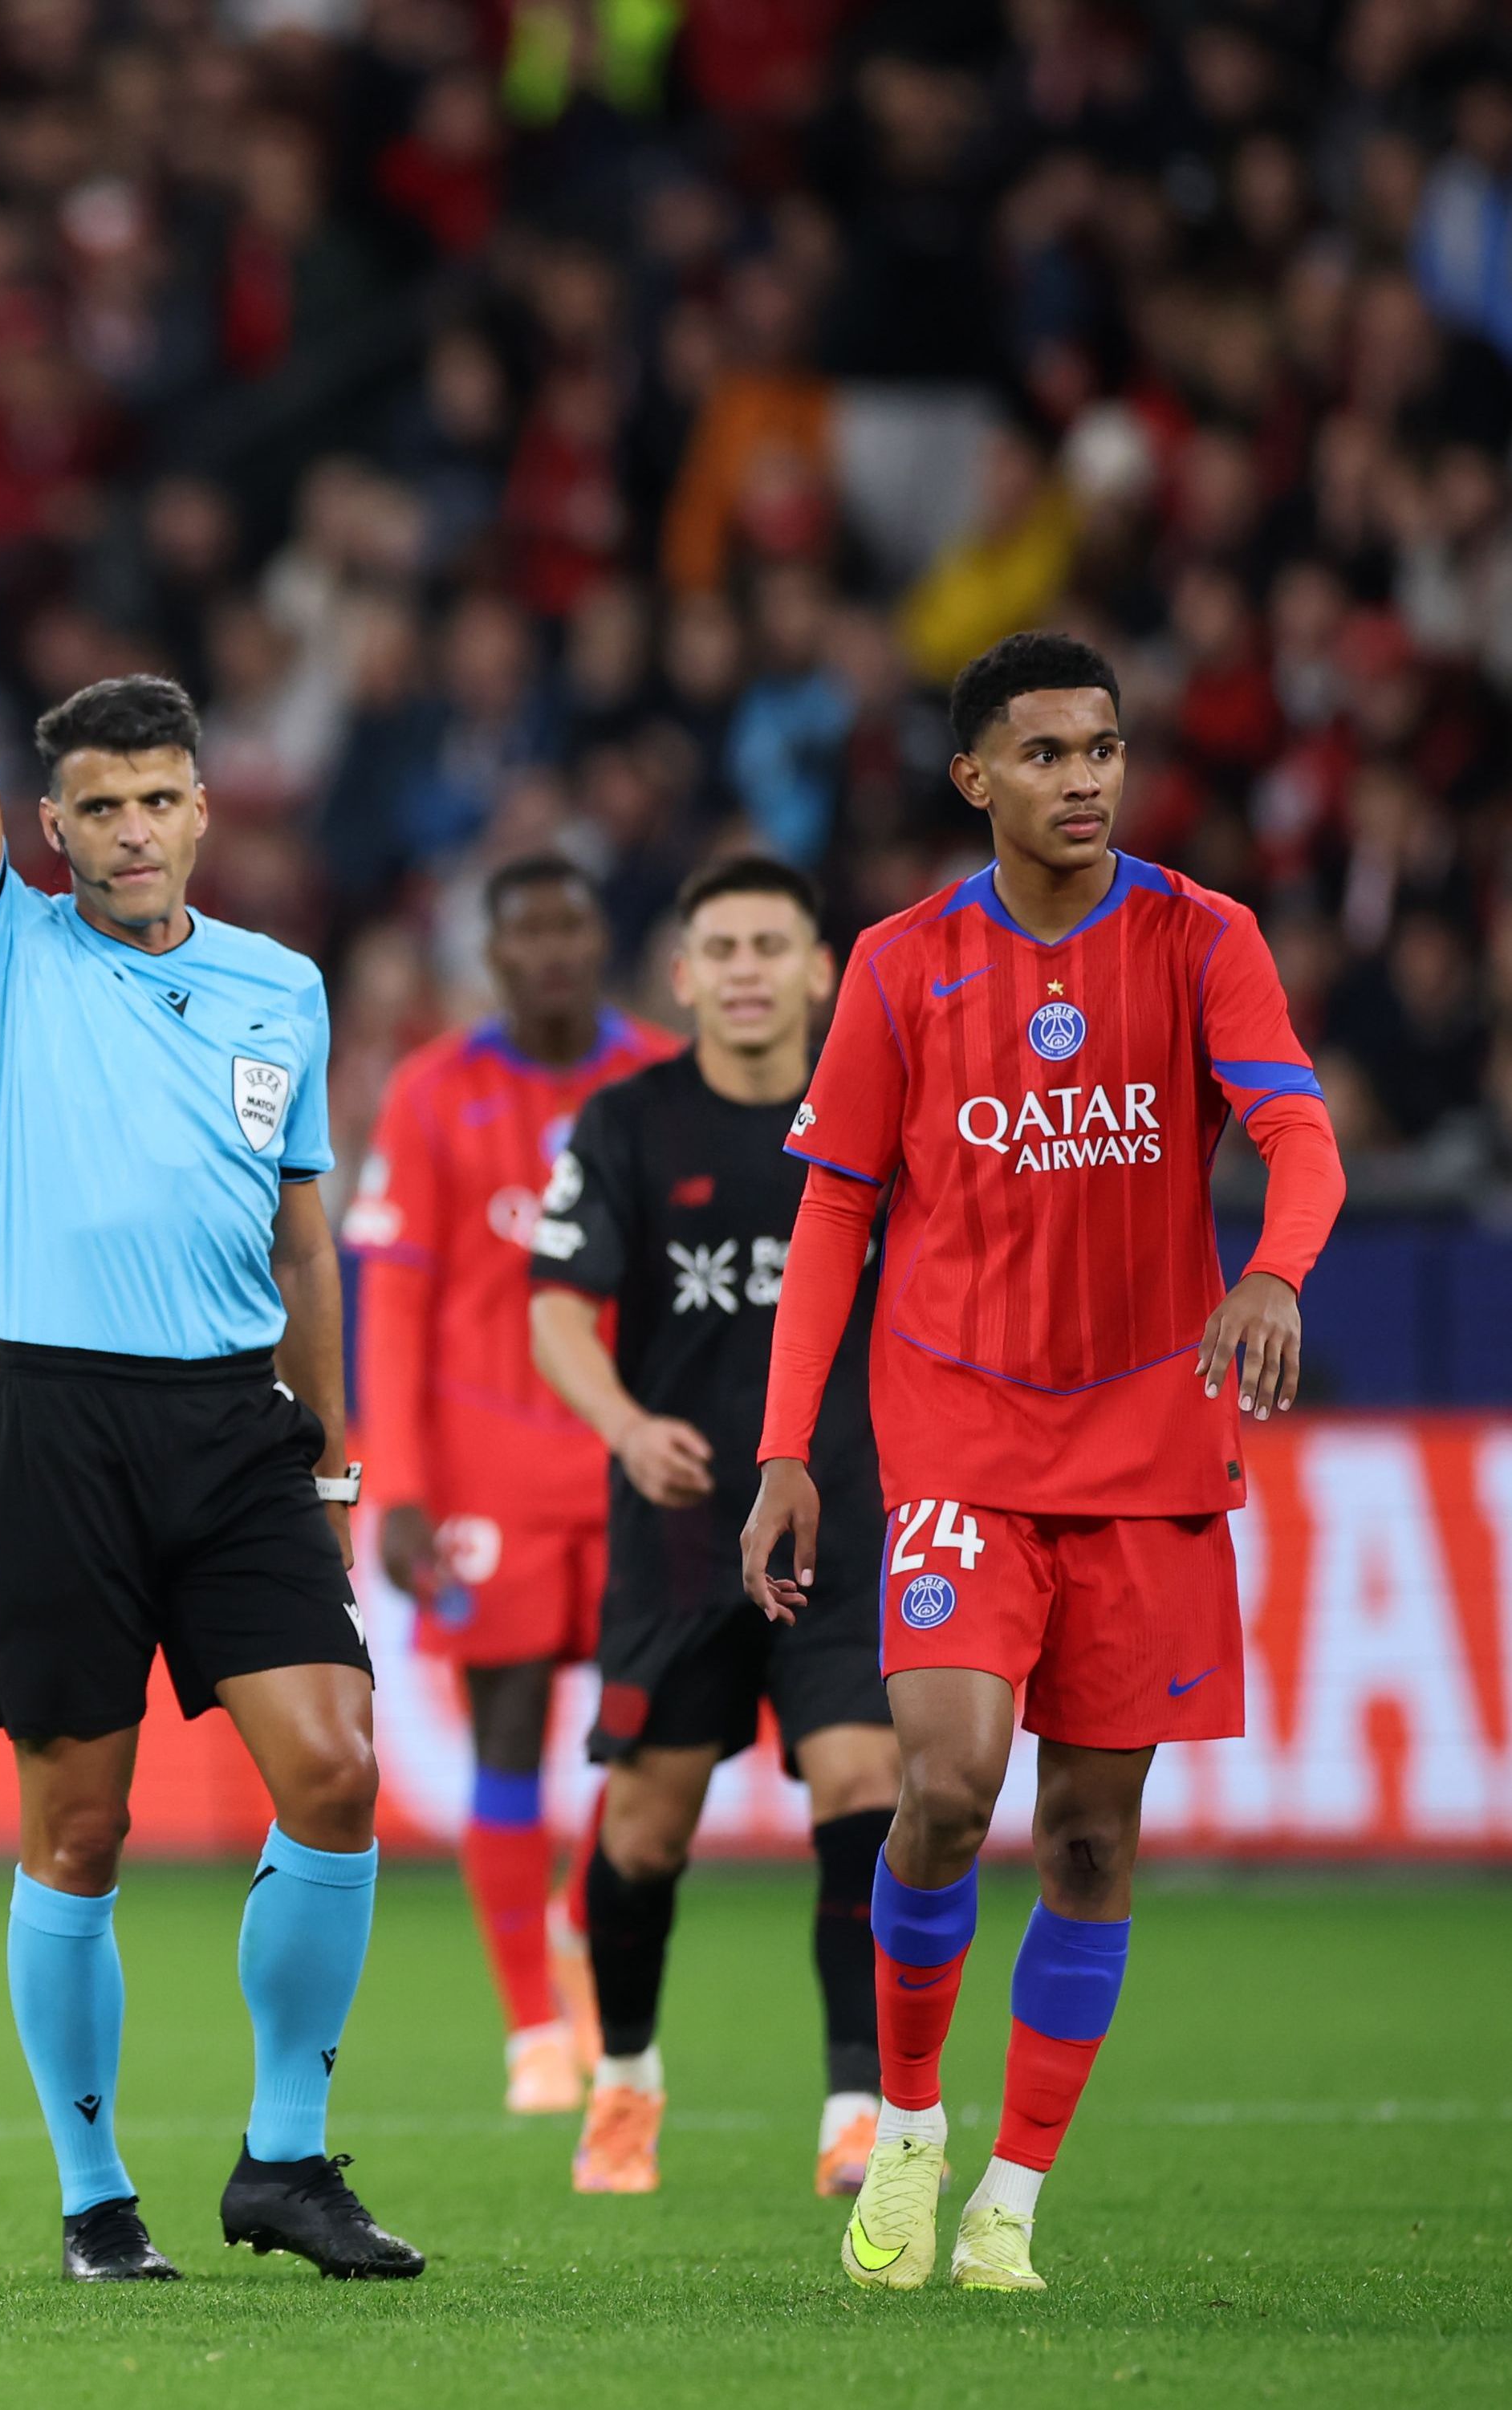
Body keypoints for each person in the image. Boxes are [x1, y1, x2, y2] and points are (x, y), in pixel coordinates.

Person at [0, 364, 417, 2284]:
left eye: (154, 802)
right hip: (53, 1426)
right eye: (91, 807)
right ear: (51, 821)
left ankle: (282, 2156)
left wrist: (334, 1447)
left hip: (232, 1431)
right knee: (80, 1827)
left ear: (205, 808)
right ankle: (92, 2192)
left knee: (337, 1767)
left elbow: (305, 1247)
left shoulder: (279, 988)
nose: (125, 833)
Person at [742, 632, 1344, 2294]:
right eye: (1044, 752)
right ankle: (909, 2128)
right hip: (952, 1434)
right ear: (971, 778)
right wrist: (785, 1447)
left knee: (1085, 1835)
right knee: (939, 1782)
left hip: (1146, 1447)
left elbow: (1296, 1132)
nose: (1081, 777)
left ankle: (1006, 2192)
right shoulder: (892, 963)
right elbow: (831, 1209)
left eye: (1101, 748)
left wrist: (1271, 1267)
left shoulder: (1197, 936)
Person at [525, 855, 897, 2197]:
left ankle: (856, 2105)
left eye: (768, 945)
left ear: (817, 970)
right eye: (718, 947)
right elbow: (553, 1306)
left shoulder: (881, 1119)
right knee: (642, 1831)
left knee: (866, 1787)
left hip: (845, 1520)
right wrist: (624, 1425)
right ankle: (621, 2078)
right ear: (682, 977)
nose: (743, 969)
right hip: (677, 1531)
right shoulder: (625, 1125)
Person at [344, 857, 673, 2115]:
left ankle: (581, 1921)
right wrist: (402, 1486)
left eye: (569, 924)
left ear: (602, 938)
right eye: (522, 928)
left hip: (637, 1455)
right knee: (507, 1732)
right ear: (490, 951)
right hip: (485, 1470)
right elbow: (395, 1302)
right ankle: (533, 2025)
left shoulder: (655, 1078)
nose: (548, 948)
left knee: (653, 1739)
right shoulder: (435, 1091)